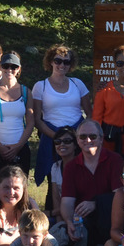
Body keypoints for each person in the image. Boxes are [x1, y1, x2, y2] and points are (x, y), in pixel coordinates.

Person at [61, 120, 123, 246]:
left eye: (93, 136)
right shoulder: (71, 167)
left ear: (101, 139)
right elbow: (66, 201)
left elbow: (120, 197)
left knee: (106, 209)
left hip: (109, 218)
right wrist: (69, 222)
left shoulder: (115, 160)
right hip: (83, 220)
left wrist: (96, 203)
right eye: (82, 137)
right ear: (77, 140)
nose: (87, 140)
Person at [32, 44, 91, 185]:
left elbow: (90, 113)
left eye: (66, 62)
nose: (61, 65)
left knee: (80, 178)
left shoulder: (78, 84)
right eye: (58, 61)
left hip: (77, 136)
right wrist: (57, 137)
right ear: (51, 61)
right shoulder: (41, 86)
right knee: (54, 180)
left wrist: (77, 135)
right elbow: (36, 119)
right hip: (51, 136)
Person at [0, 53, 34, 185]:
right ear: (0, 67)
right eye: (6, 66)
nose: (9, 70)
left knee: (19, 188)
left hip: (20, 148)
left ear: (19, 68)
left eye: (13, 67)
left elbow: (31, 122)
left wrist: (18, 146)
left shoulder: (26, 92)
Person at [47, 126, 79, 221]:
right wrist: (59, 225)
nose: (62, 144)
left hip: (79, 215)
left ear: (75, 145)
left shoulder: (82, 166)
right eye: (58, 142)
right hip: (61, 214)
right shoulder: (55, 167)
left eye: (67, 141)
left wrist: (51, 213)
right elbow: (56, 199)